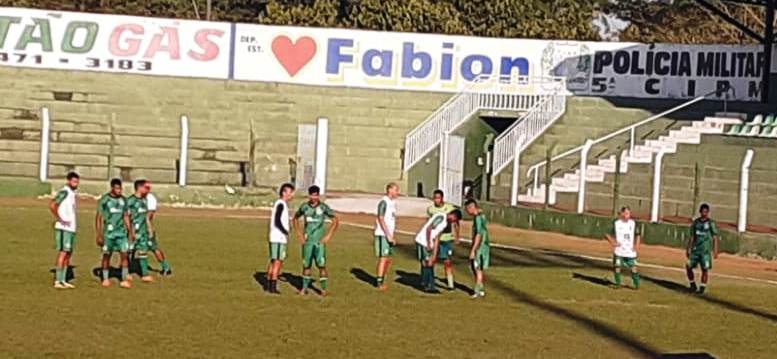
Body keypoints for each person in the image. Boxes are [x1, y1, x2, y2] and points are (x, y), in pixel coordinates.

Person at [294, 185, 339, 296]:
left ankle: (323, 290)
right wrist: (299, 234)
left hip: (319, 243)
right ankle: (304, 289)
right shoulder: (304, 207)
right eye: (312, 195)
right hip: (308, 242)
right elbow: (295, 218)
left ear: (318, 195)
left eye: (316, 195)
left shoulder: (323, 208)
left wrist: (328, 236)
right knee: (306, 266)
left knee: (321, 265)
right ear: (309, 195)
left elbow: (335, 220)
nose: (314, 197)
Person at [96, 178, 134, 288]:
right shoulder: (105, 200)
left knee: (124, 254)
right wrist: (99, 234)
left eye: (120, 188)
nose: (119, 191)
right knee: (107, 255)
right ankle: (105, 278)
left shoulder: (123, 200)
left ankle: (123, 278)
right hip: (109, 233)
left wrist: (130, 231)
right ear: (112, 188)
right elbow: (99, 217)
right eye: (117, 188)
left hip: (121, 233)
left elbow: (126, 216)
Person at [415, 209, 462, 294]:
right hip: (424, 241)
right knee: (428, 263)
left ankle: (427, 284)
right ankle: (429, 285)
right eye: (454, 220)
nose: (453, 222)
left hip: (427, 242)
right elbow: (429, 229)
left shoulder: (444, 223)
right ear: (453, 216)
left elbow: (437, 236)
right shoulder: (441, 217)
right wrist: (429, 242)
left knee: (429, 262)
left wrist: (435, 251)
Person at [49, 172, 80, 289]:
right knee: (63, 252)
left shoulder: (71, 193)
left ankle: (63, 279)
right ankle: (58, 280)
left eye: (77, 182)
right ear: (68, 181)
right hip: (64, 228)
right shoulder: (65, 192)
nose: (76, 184)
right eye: (74, 181)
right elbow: (53, 204)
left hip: (71, 228)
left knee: (68, 253)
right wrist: (60, 219)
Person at [427, 189, 460, 290]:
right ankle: (429, 280)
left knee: (447, 261)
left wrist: (457, 236)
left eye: (438, 198)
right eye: (435, 198)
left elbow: (456, 222)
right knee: (432, 259)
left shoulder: (449, 208)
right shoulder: (431, 209)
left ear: (442, 198)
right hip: (435, 238)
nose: (436, 200)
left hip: (447, 238)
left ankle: (450, 283)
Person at [267, 183, 295, 294]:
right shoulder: (281, 204)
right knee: (278, 262)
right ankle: (273, 286)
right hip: (279, 238)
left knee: (273, 261)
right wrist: (285, 231)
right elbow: (277, 220)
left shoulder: (280, 204)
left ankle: (268, 285)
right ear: (284, 192)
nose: (292, 195)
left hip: (274, 237)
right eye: (290, 192)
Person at [605, 206, 641, 289]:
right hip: (619, 251)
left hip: (630, 251)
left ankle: (637, 285)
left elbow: (638, 235)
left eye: (628, 213)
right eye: (625, 213)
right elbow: (607, 234)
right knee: (617, 267)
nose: (627, 215)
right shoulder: (616, 223)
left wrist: (636, 246)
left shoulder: (633, 223)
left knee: (633, 268)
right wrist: (613, 242)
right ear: (621, 213)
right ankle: (618, 284)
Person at [686, 203, 720, 294]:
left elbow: (715, 237)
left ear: (708, 212)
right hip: (696, 250)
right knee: (688, 266)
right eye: (703, 211)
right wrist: (688, 248)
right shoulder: (696, 223)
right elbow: (692, 237)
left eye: (706, 212)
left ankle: (702, 288)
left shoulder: (710, 223)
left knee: (705, 269)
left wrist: (715, 250)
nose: (704, 213)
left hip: (705, 251)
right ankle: (692, 285)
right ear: (700, 212)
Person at [127, 180, 154, 283]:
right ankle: (126, 273)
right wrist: (131, 231)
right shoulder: (130, 201)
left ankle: (145, 274)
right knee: (129, 252)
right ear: (139, 187)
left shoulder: (144, 200)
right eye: (146, 188)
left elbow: (146, 216)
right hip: (133, 231)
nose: (148, 190)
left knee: (143, 252)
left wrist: (149, 228)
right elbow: (127, 217)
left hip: (142, 232)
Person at [374, 183, 399, 291]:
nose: (398, 192)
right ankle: (379, 282)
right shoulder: (384, 202)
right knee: (383, 258)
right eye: (396, 190)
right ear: (390, 190)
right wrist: (388, 234)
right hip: (383, 234)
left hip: (389, 235)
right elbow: (381, 218)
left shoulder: (393, 203)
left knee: (388, 259)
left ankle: (382, 279)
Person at [144, 185, 172, 276]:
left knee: (153, 247)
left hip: (145, 228)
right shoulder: (138, 198)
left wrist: (149, 228)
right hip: (137, 227)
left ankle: (166, 267)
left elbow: (149, 216)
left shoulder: (150, 199)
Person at [465, 199, 490, 298]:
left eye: (467, 209)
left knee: (476, 267)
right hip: (484, 245)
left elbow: (478, 234)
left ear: (471, 207)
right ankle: (480, 289)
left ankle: (478, 290)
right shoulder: (482, 215)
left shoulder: (478, 218)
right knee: (478, 268)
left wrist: (473, 249)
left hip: (480, 246)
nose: (467, 212)